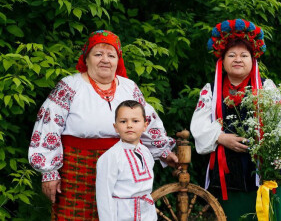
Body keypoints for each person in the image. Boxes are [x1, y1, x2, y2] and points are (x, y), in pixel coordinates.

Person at [28, 30, 177, 220]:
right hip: (77, 170)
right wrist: (49, 171)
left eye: (111, 55)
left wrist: (163, 150)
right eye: (98, 54)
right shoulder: (69, 86)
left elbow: (146, 121)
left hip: (124, 170)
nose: (105, 60)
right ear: (87, 58)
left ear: (118, 60)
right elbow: (48, 127)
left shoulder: (129, 88)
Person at [190, 19, 281, 221]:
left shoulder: (267, 88)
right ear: (222, 61)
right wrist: (221, 137)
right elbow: (198, 126)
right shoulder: (211, 91)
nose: (238, 59)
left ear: (253, 60)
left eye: (244, 55)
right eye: (231, 55)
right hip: (230, 173)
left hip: (266, 169)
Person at [96, 100, 157, 221]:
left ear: (145, 126)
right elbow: (104, 197)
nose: (129, 125)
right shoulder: (110, 157)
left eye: (135, 121)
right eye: (123, 121)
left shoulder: (146, 153)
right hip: (122, 216)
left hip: (147, 214)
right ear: (116, 127)